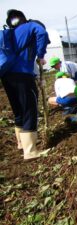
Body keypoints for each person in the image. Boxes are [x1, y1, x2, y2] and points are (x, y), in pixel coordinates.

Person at [1, 9, 50, 160]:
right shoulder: (31, 26)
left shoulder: (11, 34)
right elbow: (41, 33)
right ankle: (30, 151)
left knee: (19, 111)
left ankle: (21, 144)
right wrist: (41, 55)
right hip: (23, 75)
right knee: (29, 109)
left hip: (7, 76)